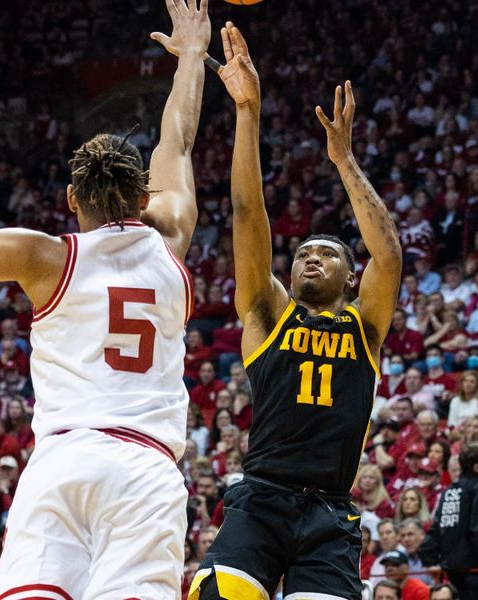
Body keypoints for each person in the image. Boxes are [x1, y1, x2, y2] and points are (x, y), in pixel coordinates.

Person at [0, 2, 210, 595]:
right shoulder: (172, 235)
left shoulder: (43, 257)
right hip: (146, 469)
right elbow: (176, 141)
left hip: (64, 460)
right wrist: (191, 58)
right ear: (144, 194)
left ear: (73, 200)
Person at [189, 24, 402, 599]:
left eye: (327, 253)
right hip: (260, 498)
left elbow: (389, 253)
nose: (311, 258)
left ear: (349, 275)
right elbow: (245, 212)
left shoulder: (366, 325)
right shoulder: (267, 313)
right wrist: (247, 113)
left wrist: (344, 159)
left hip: (330, 513)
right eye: (303, 253)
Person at [418, 441, 478, 600]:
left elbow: (437, 527)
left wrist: (428, 558)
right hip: (477, 570)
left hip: (453, 571)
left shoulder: (450, 490)